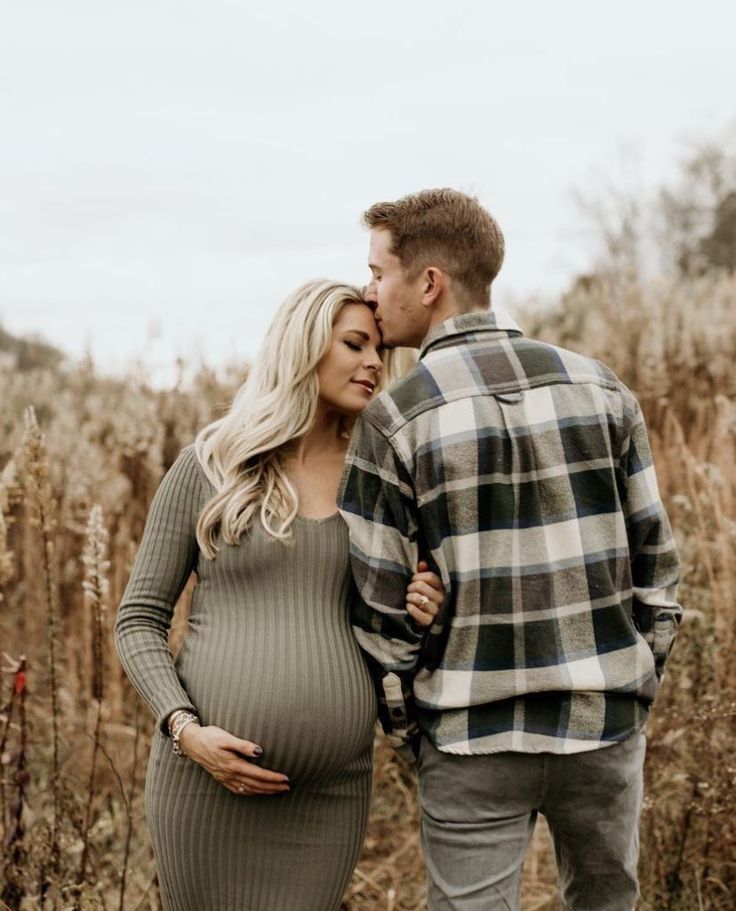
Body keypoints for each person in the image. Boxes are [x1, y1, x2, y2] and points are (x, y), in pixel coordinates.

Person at [337, 189, 682, 910]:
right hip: (604, 726)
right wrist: (634, 678)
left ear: (428, 283)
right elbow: (659, 566)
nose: (370, 293)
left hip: (471, 739)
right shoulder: (601, 387)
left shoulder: (394, 419)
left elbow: (378, 610)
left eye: (379, 272)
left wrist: (414, 731)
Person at [114, 279, 445, 911]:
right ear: (303, 347)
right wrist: (187, 733)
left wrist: (419, 604)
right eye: (355, 344)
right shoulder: (212, 463)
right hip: (204, 784)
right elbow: (138, 620)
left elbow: (388, 621)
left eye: (380, 350)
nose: (375, 363)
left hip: (330, 793)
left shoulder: (377, 475)